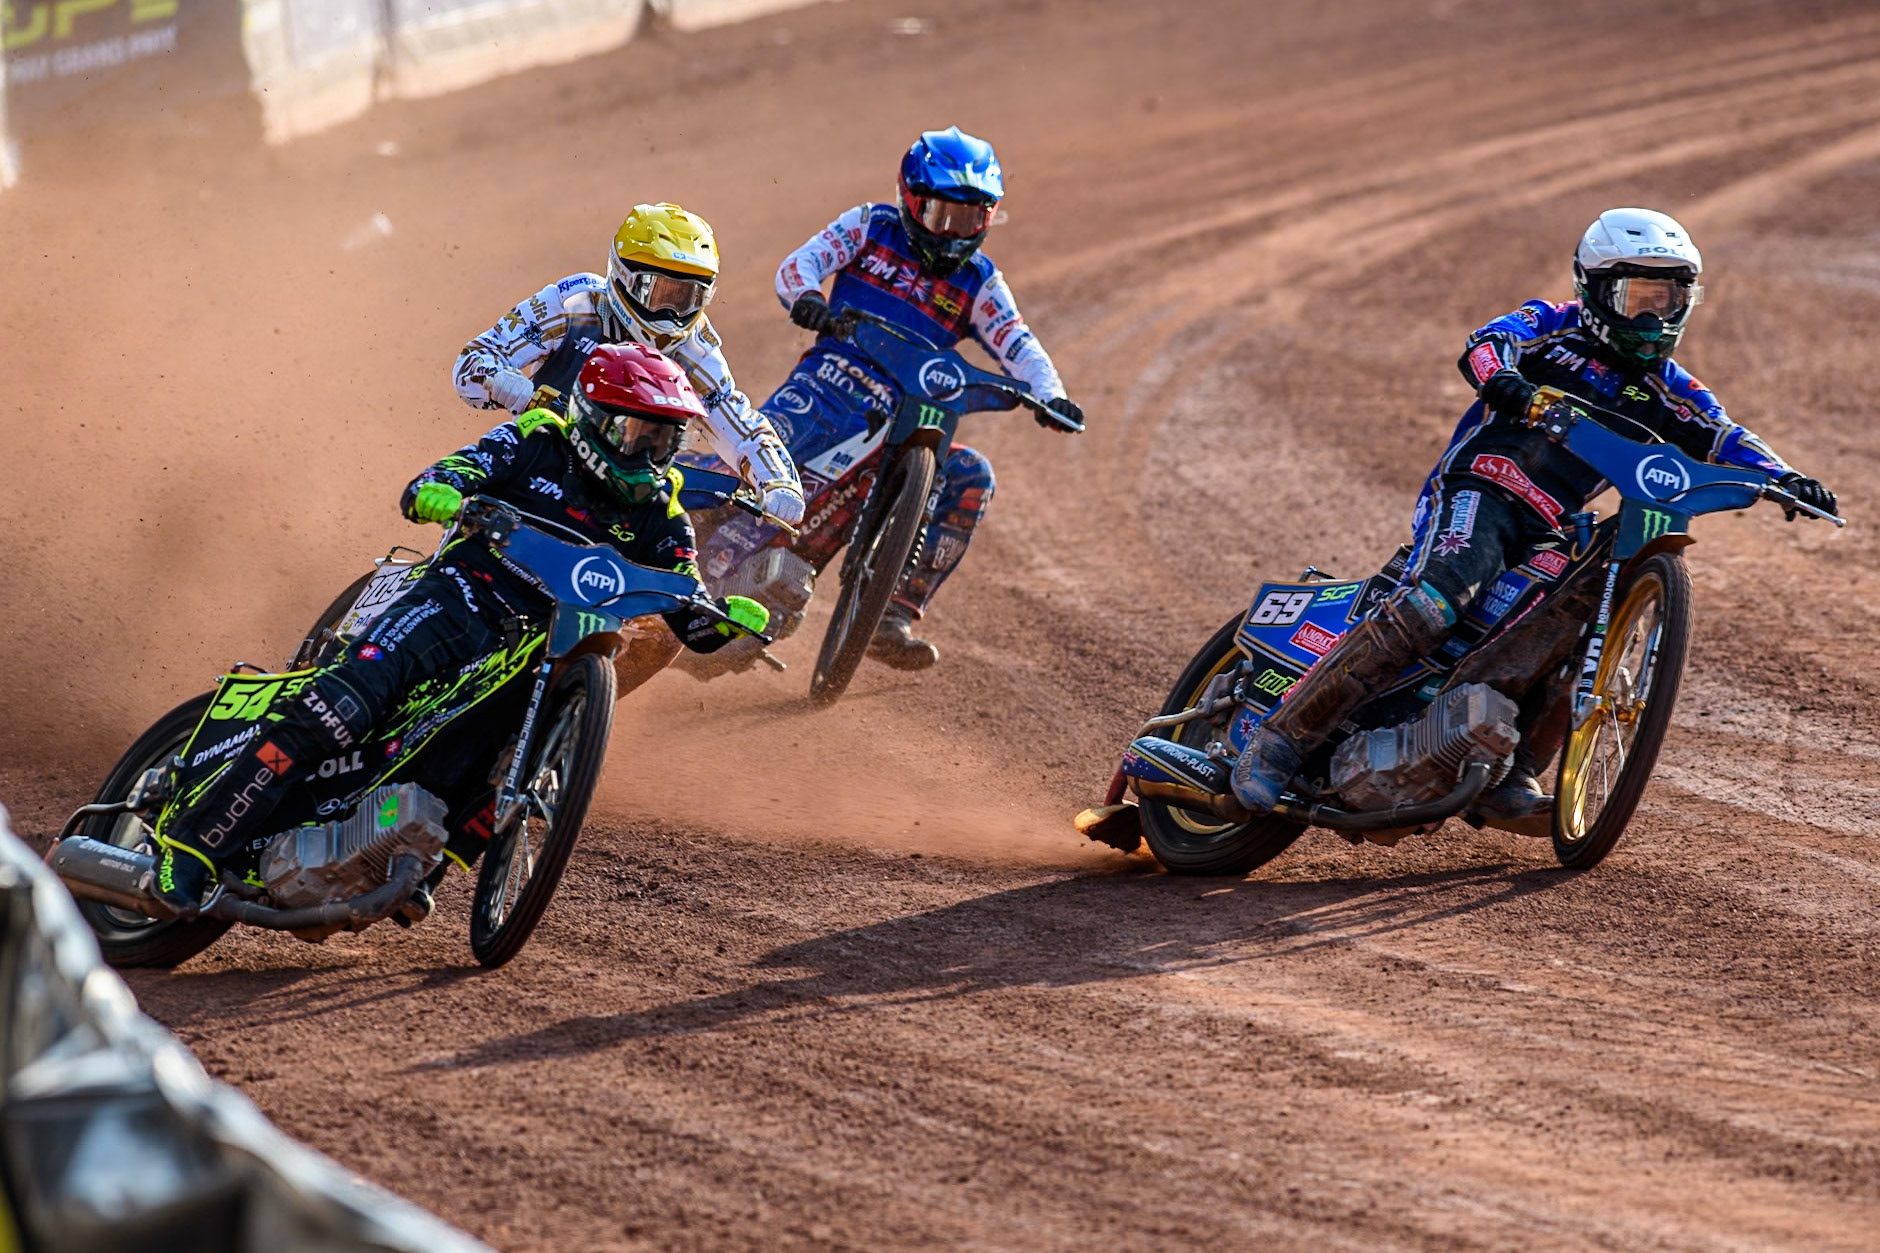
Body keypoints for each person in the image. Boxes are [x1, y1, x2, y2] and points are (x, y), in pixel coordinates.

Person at [1228, 207, 1838, 819]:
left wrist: (1785, 478)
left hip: (1552, 526)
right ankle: (1281, 740)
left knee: (1577, 624)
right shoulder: (1549, 325)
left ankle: (1508, 769)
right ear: (1594, 290)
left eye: (1671, 297)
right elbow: (1486, 346)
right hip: (1483, 489)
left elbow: (1726, 436)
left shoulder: (1673, 390)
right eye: (1636, 298)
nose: (1653, 317)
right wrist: (1508, 383)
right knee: (1433, 603)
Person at [153, 344, 770, 911]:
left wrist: (725, 619)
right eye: (637, 433)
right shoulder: (537, 440)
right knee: (341, 706)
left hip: (532, 642)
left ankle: (413, 865)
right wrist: (444, 494)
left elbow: (688, 610)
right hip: (456, 599)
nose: (650, 453)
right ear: (593, 419)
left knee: (492, 765)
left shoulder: (663, 514)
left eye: (665, 439)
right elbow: (433, 481)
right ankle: (188, 847)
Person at [733, 126, 1084, 669]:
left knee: (972, 477)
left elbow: (1019, 344)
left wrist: (1051, 396)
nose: (954, 234)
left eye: (971, 219)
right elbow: (798, 265)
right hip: (830, 382)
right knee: (764, 445)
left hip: (912, 416)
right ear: (910, 199)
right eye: (943, 216)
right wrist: (806, 299)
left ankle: (890, 614)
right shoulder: (870, 226)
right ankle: (688, 525)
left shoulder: (981, 282)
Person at [452, 201, 805, 528]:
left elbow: (738, 422)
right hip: (539, 465)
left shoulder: (696, 348)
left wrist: (779, 482)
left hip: (633, 499)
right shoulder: (573, 304)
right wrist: (514, 389)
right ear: (623, 275)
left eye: (687, 298)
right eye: (659, 292)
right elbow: (473, 363)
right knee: (470, 543)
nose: (671, 313)